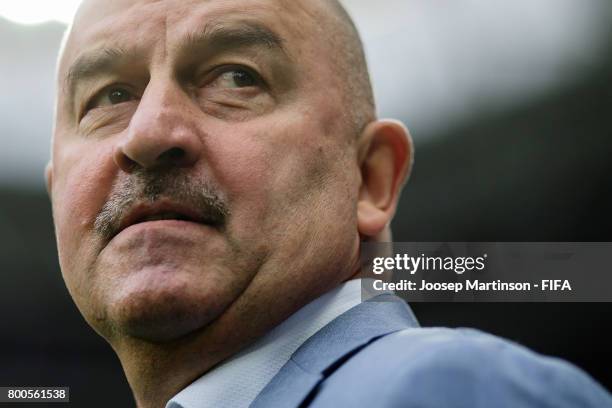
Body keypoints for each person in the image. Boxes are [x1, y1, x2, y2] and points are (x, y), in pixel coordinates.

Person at [46, 0, 611, 407]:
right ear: (57, 195)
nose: (146, 134)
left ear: (370, 179)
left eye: (236, 78)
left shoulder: (451, 388)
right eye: (109, 97)